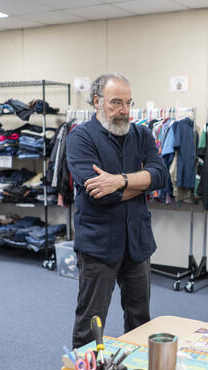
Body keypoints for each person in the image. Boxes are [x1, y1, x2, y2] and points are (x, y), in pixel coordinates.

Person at [66, 73, 168, 348]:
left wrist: (120, 181)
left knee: (140, 318)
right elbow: (99, 196)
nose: (124, 110)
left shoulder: (142, 134)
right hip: (99, 244)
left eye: (128, 102)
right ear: (97, 102)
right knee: (91, 319)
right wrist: (140, 182)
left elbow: (161, 176)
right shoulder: (79, 139)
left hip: (137, 242)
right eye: (116, 103)